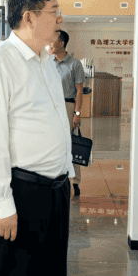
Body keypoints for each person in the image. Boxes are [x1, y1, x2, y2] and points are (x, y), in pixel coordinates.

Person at [0, 0, 73, 276]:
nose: (60, 18)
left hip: (56, 190)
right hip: (23, 192)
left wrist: (68, 174)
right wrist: (2, 205)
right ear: (29, 17)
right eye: (54, 11)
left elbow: (58, 121)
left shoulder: (46, 60)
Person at [48, 30, 86, 196]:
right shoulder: (48, 62)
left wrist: (77, 113)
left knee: (71, 144)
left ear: (61, 43)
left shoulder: (74, 64)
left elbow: (79, 91)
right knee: (52, 143)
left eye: (52, 41)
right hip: (50, 106)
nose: (49, 44)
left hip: (68, 105)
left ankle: (75, 181)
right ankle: (55, 176)